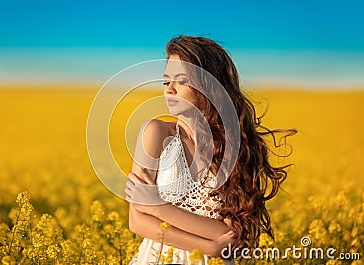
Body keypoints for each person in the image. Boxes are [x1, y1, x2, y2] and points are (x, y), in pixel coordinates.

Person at [125, 35, 296, 265]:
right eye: (166, 82)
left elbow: (232, 233)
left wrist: (157, 207)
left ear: (208, 85)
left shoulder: (233, 147)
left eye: (181, 81)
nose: (170, 90)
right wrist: (207, 246)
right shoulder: (157, 133)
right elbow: (137, 221)